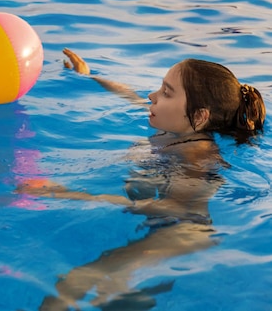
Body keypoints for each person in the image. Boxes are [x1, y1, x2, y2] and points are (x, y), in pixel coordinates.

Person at [16, 48, 266, 310]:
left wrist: (67, 193)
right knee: (109, 288)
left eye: (166, 93)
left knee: (75, 281)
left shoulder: (196, 154)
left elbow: (174, 208)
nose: (151, 96)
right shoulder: (175, 127)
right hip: (163, 225)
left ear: (200, 117)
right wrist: (89, 77)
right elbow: (129, 95)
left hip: (183, 231)